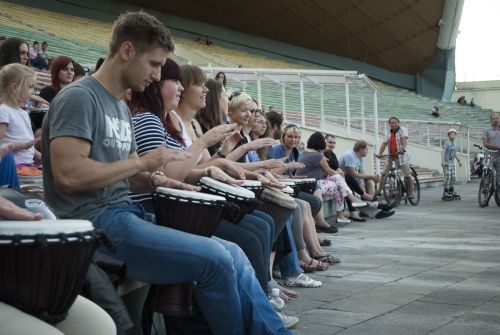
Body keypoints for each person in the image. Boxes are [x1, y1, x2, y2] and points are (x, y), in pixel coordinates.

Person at [41, 11, 290, 334]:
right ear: (127, 50)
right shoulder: (79, 98)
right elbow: (69, 176)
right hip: (95, 226)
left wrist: (161, 179)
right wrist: (145, 163)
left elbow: (130, 176)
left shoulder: (117, 106)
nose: (157, 76)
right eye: (155, 64)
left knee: (233, 252)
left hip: (125, 216)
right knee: (215, 258)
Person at [0, 63, 42, 177]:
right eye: (30, 86)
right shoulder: (4, 111)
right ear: (14, 87)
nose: (33, 91)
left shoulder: (23, 113)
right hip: (15, 166)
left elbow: (27, 144)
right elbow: (1, 141)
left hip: (28, 165)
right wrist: (22, 145)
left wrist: (38, 155)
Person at [375, 116, 413, 199]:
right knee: (384, 173)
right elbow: (384, 143)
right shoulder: (388, 133)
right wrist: (380, 153)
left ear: (398, 123)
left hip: (401, 156)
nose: (393, 124)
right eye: (391, 123)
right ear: (389, 124)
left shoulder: (402, 130)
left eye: (395, 122)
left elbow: (404, 139)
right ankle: (379, 191)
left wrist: (403, 148)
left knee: (407, 174)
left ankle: (410, 192)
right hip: (391, 156)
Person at [441, 128, 462, 200]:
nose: (452, 136)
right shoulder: (447, 143)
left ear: (455, 135)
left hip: (452, 163)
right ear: (448, 135)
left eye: (454, 134)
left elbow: (454, 153)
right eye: (451, 134)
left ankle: (451, 191)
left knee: (453, 178)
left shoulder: (455, 144)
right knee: (448, 178)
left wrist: (458, 160)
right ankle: (445, 192)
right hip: (447, 163)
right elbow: (443, 151)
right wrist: (442, 161)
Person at [482, 112, 500, 185]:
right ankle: (486, 188)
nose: (496, 120)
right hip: (489, 154)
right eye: (494, 118)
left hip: (499, 155)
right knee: (488, 172)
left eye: (497, 118)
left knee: (499, 175)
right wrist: (498, 147)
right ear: (490, 120)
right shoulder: (487, 130)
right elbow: (485, 144)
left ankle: (497, 192)